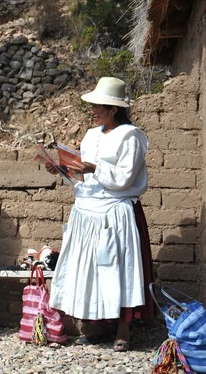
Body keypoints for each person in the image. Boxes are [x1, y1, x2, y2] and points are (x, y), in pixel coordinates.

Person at [45, 77, 157, 352]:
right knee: (91, 269)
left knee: (119, 269)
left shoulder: (131, 136)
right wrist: (64, 170)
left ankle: (123, 330)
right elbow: (84, 178)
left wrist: (94, 168)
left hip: (115, 211)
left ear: (114, 108)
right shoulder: (91, 135)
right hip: (87, 209)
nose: (93, 110)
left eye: (98, 106)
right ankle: (95, 326)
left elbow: (124, 178)